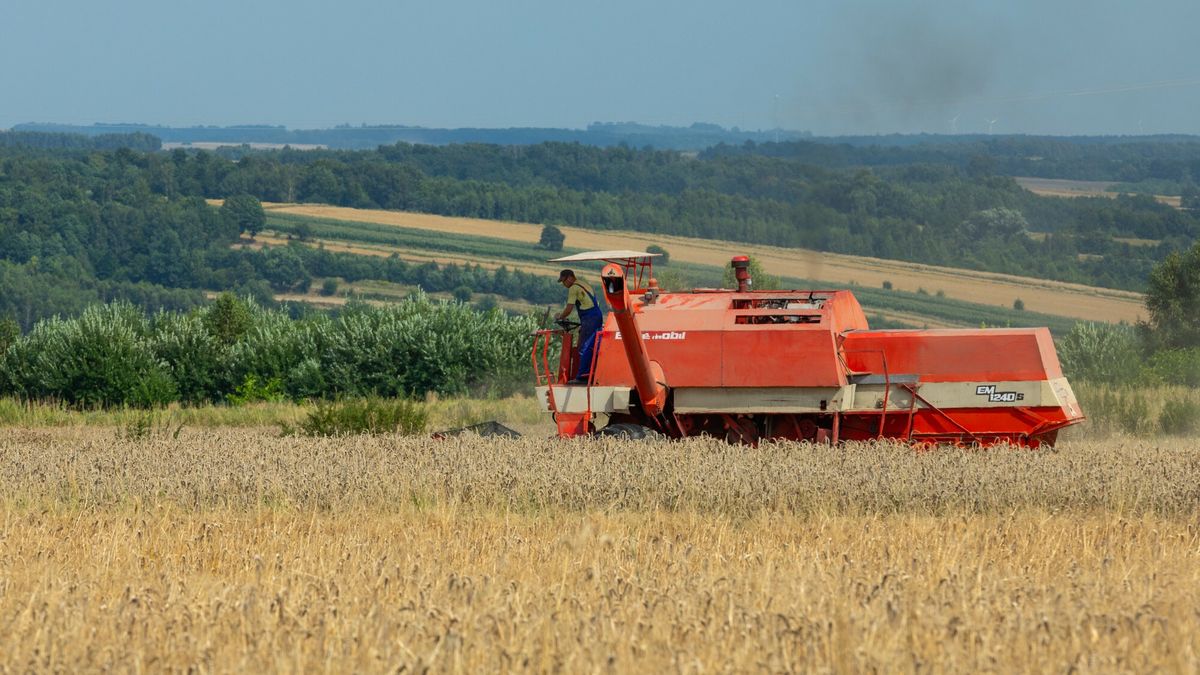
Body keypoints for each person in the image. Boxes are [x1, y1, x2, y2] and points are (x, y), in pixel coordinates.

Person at [556, 269, 604, 384]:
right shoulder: (584, 284)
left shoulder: (573, 288)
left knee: (584, 347)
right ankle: (593, 372)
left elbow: (569, 308)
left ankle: (583, 377)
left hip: (589, 318)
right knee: (594, 346)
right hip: (597, 316)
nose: (564, 284)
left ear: (570, 278)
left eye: (564, 281)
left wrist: (560, 317)